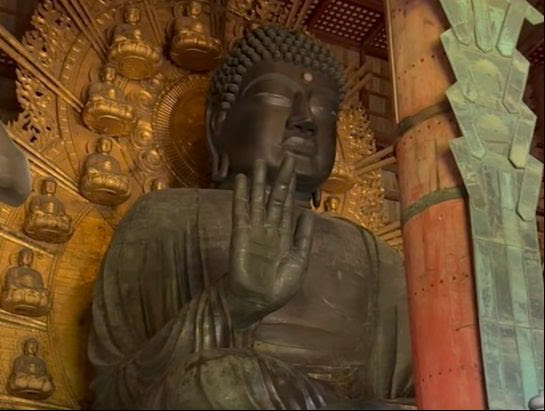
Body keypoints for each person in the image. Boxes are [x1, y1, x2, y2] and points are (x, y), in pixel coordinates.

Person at [88, 25, 412, 410]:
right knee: (218, 380)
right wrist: (230, 304)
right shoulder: (163, 219)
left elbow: (428, 395)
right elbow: (110, 397)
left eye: (324, 109)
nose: (305, 120)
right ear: (217, 125)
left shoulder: (374, 256)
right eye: (276, 96)